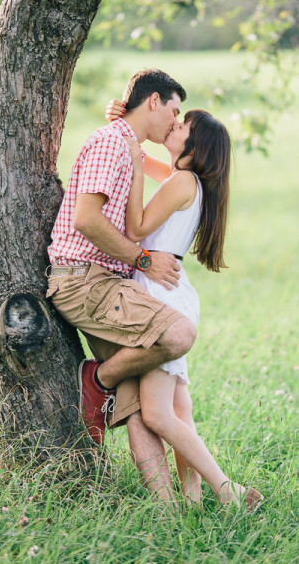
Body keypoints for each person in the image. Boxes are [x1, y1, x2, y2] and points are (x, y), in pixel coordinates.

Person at [46, 69, 196, 500]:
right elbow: (86, 219)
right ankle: (98, 380)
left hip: (106, 283)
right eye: (173, 110)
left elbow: (176, 171)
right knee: (179, 332)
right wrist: (143, 260)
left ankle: (168, 512)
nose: (174, 120)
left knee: (139, 404)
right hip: (83, 281)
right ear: (152, 102)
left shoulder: (126, 145)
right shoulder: (110, 143)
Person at [107, 99, 263, 511]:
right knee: (179, 409)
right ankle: (192, 503)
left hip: (160, 292)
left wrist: (136, 166)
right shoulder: (187, 182)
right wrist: (125, 128)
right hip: (173, 291)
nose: (174, 125)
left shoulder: (182, 183)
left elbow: (138, 226)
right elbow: (155, 167)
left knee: (157, 415)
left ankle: (227, 491)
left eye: (183, 127)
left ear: (196, 148)